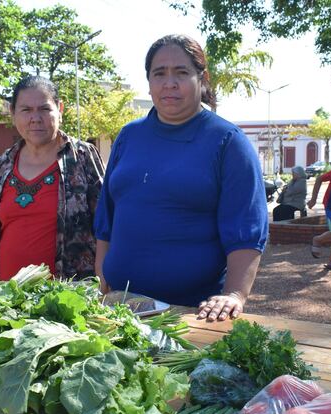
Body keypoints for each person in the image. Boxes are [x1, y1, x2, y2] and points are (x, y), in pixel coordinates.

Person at [94, 34, 268, 321]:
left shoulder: (227, 142)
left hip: (190, 313)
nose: (169, 83)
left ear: (203, 78)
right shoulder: (128, 136)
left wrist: (235, 294)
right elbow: (106, 218)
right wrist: (102, 278)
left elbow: (247, 228)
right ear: (149, 82)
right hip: (120, 306)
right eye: (159, 73)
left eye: (182, 73)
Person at [0, 76, 104, 281]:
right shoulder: (0, 168)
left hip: (70, 296)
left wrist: (102, 274)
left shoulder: (82, 157)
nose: (35, 118)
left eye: (44, 109)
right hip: (7, 296)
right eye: (26, 110)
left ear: (60, 109)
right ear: (13, 113)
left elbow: (105, 221)